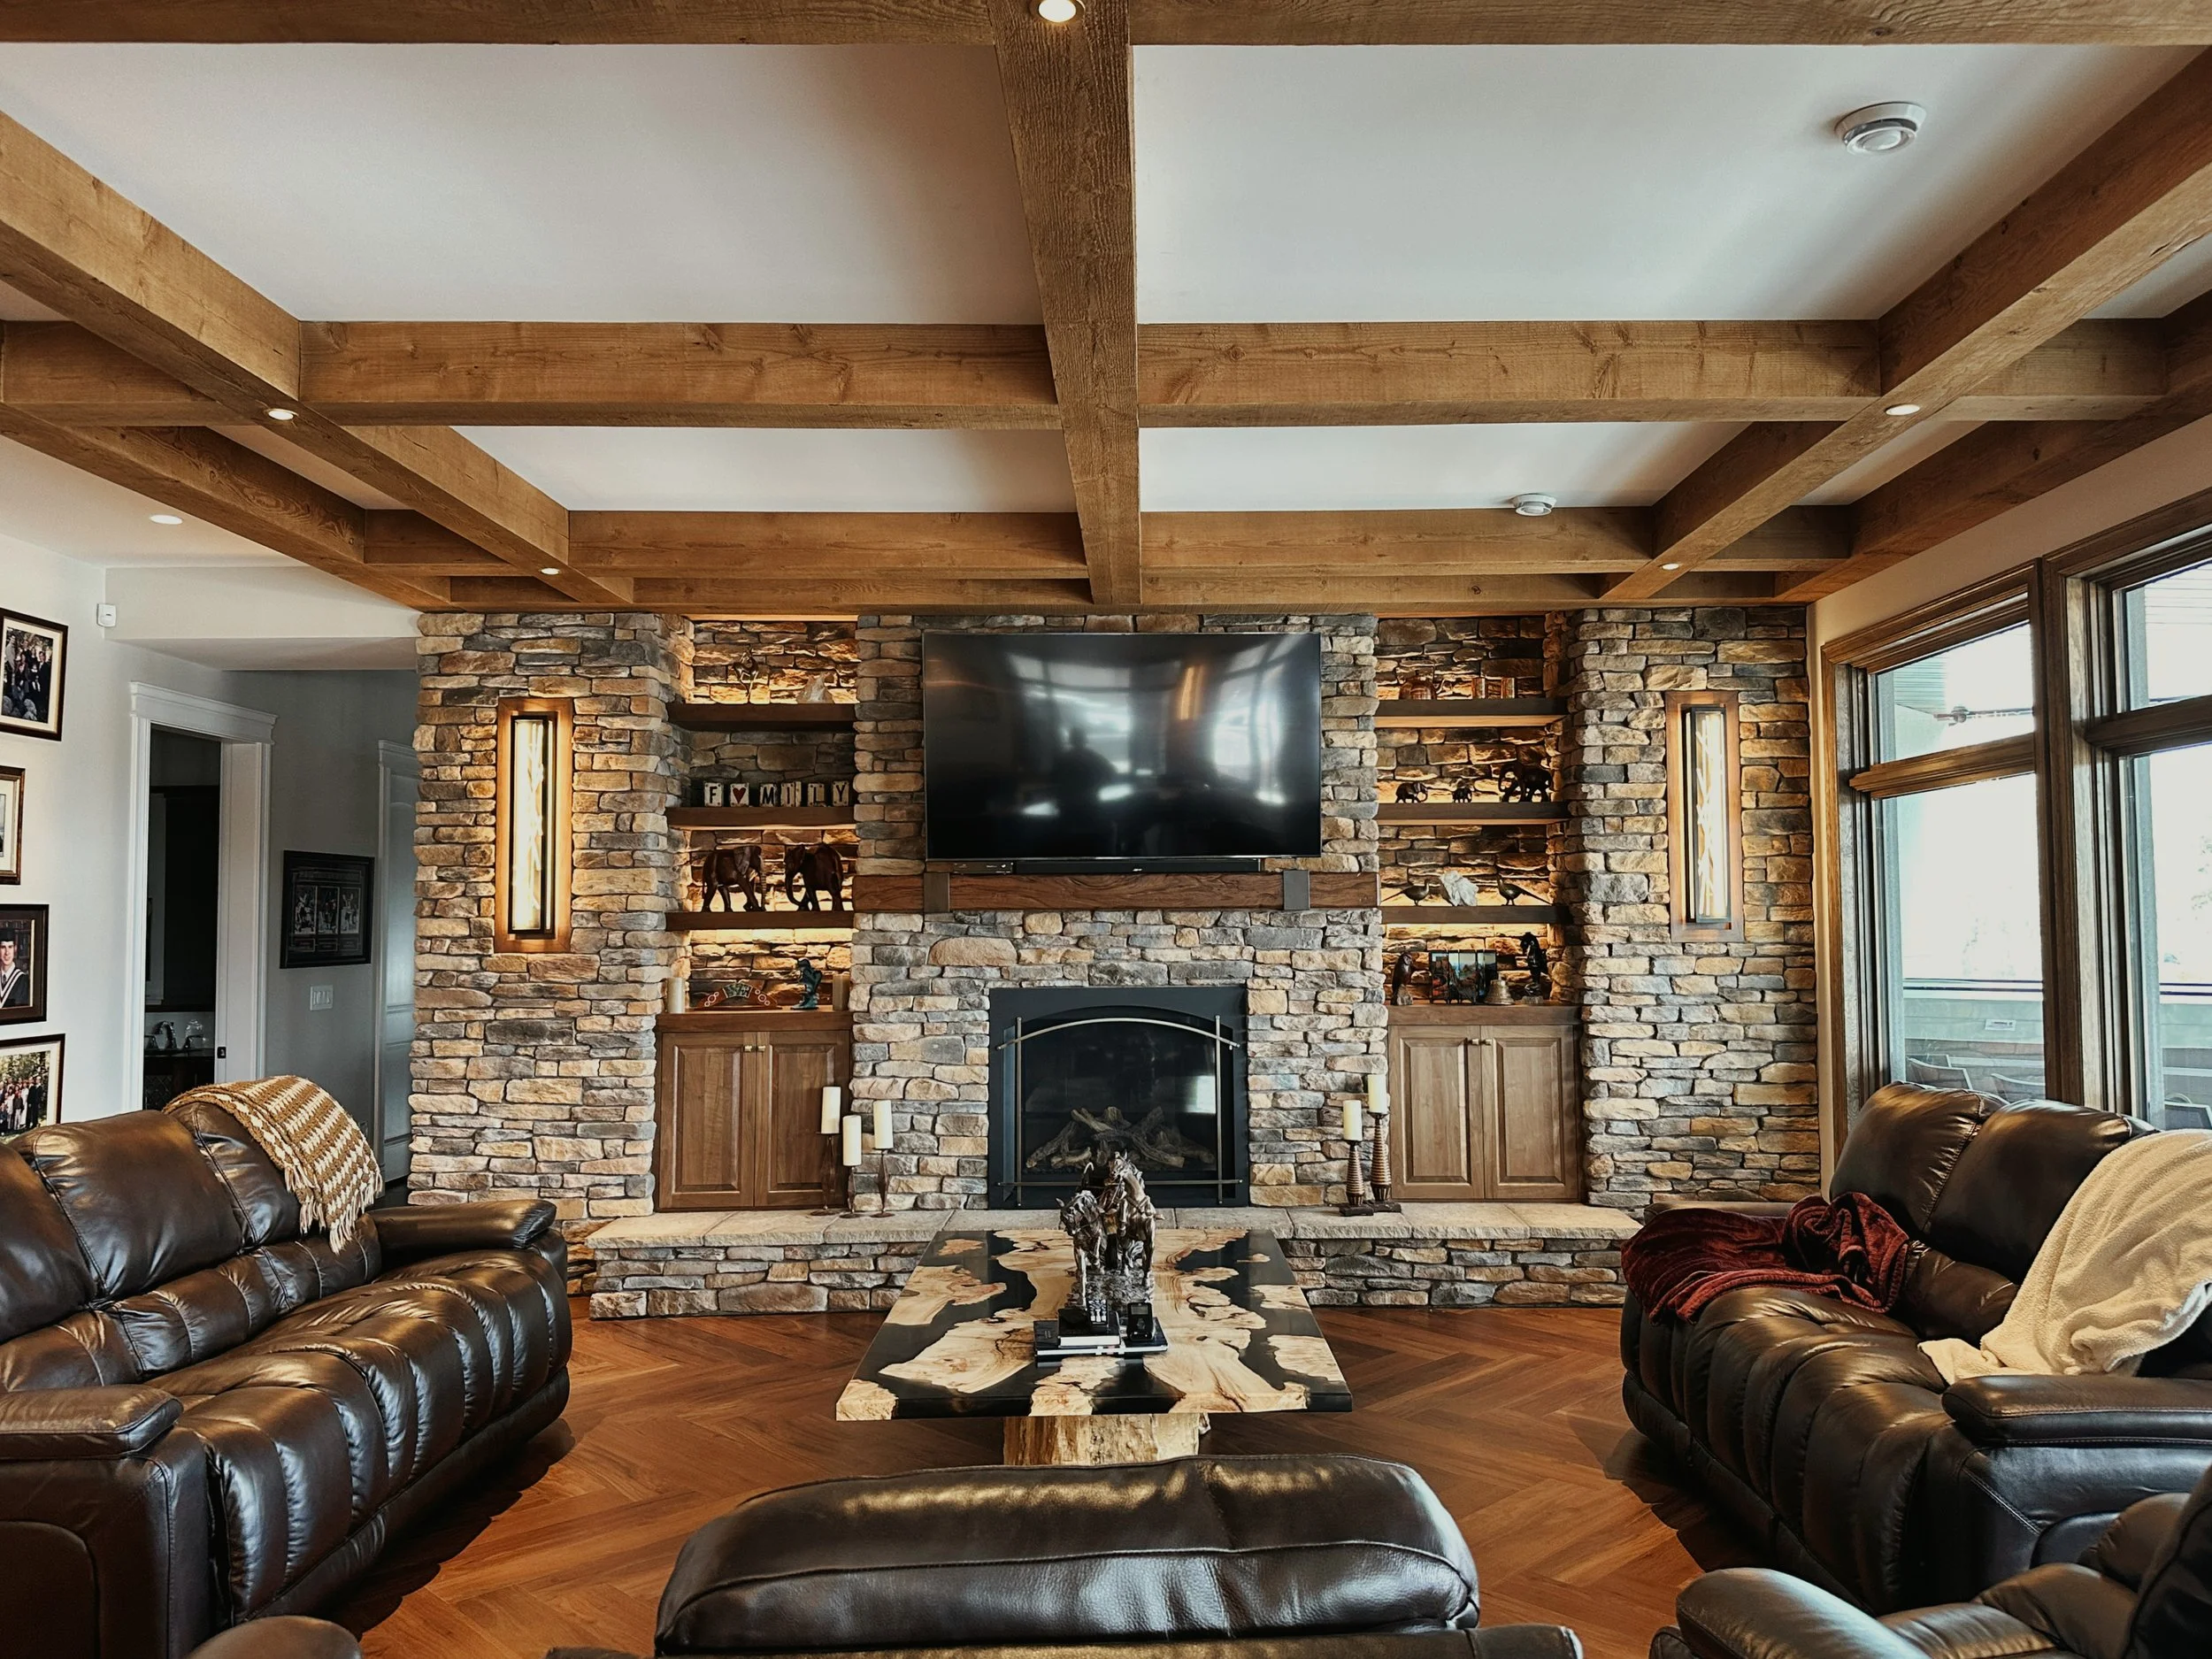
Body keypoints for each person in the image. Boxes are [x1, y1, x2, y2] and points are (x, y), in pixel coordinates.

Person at [0, 933, 27, 1008]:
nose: (7, 952)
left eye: (10, 947)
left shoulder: (24, 980)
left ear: (15, 949)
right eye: (3, 947)